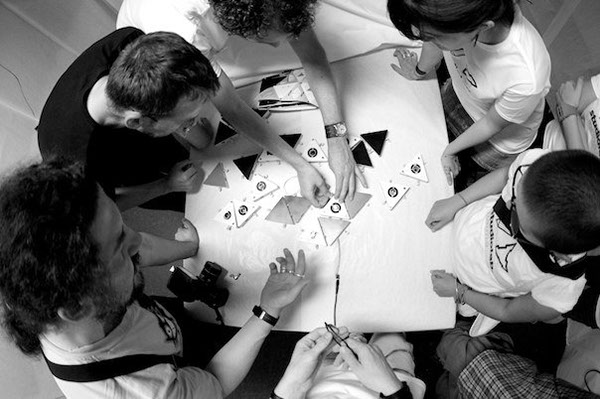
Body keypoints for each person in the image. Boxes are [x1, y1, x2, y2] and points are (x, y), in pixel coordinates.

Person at [0, 158, 309, 398]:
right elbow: (215, 380)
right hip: (182, 367)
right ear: (80, 306)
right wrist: (266, 311)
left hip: (164, 333)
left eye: (123, 227)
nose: (138, 239)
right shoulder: (149, 391)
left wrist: (190, 247)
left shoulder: (57, 293)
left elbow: (139, 247)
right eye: (121, 247)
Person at [37, 28, 327, 212]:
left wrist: (299, 164)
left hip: (153, 135)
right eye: (186, 118)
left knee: (206, 145)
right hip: (132, 176)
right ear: (139, 123)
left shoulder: (129, 42)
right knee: (203, 204)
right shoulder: (75, 164)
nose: (197, 119)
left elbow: (223, 108)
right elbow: (110, 208)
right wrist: (167, 186)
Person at [117, 0, 366, 203]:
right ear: (246, 27)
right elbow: (233, 107)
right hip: (149, 65)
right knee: (202, 141)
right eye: (272, 40)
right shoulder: (185, 33)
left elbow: (312, 55)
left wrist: (336, 138)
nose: (280, 44)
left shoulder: (270, 8)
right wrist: (300, 165)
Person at [424, 149, 600, 335]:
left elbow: (506, 311)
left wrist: (460, 292)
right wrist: (458, 200)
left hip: (464, 280)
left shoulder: (562, 286)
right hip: (459, 220)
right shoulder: (538, 169)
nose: (508, 203)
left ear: (556, 253)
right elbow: (505, 176)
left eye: (516, 221)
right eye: (515, 195)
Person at [387, 0, 551, 185]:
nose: (425, 39)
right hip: (462, 92)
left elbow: (491, 124)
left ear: (482, 26)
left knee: (460, 173)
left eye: (436, 37)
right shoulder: (454, 16)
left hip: (497, 139)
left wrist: (450, 150)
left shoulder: (526, 76)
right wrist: (418, 71)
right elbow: (431, 38)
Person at [271, 328, 426, 399]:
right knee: (391, 331)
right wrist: (393, 390)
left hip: (320, 377)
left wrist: (294, 383)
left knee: (345, 324)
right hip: (394, 379)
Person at [544, 73, 600, 156]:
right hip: (546, 131)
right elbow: (564, 98)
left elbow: (580, 166)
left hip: (553, 165)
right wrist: (569, 114)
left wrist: (570, 112)